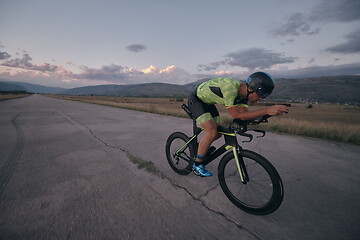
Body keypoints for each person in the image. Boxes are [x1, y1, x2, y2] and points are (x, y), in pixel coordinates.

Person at [188, 71, 288, 177]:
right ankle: (197, 164)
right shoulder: (231, 88)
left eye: (266, 95)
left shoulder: (243, 97)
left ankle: (202, 149)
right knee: (212, 132)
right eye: (262, 93)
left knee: (218, 133)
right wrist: (267, 110)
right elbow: (237, 116)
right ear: (251, 88)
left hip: (208, 103)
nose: (262, 98)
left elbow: (244, 116)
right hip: (197, 100)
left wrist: (266, 116)